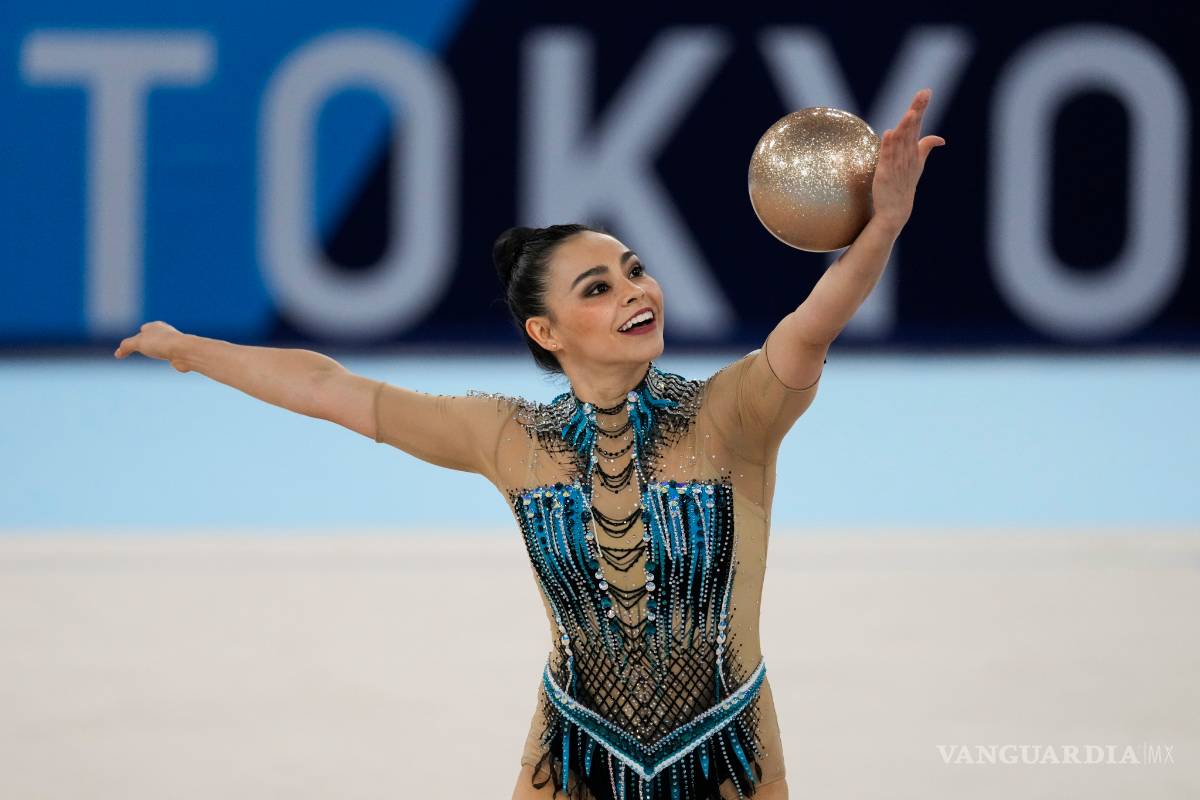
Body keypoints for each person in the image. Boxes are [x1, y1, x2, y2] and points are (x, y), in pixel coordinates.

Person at [115, 89, 943, 799]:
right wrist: (192, 350)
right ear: (545, 331)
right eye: (598, 288)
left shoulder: (735, 414)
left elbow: (816, 320)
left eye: (633, 270)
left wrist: (885, 224)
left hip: (725, 745)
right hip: (574, 746)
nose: (634, 292)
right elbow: (332, 388)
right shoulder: (507, 436)